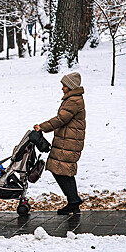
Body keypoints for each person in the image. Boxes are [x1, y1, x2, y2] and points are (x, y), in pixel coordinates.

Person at [34, 72, 86, 215]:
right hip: (67, 140)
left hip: (69, 141)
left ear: (70, 86)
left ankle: (73, 201)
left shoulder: (73, 101)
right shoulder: (73, 99)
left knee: (60, 170)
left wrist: (42, 127)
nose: (62, 88)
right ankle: (73, 202)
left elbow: (61, 119)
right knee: (64, 171)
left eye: (64, 85)